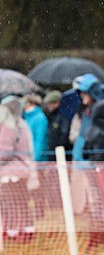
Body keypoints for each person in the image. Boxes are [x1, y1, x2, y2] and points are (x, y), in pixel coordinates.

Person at [0, 95, 40, 241]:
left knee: (9, 204)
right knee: (22, 203)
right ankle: (27, 230)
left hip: (9, 174)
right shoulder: (23, 125)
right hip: (23, 172)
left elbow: (4, 153)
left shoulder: (8, 126)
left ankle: (12, 232)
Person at [70, 74, 104, 161]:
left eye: (84, 92)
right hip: (83, 155)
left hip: (98, 155)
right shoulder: (85, 110)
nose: (81, 95)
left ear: (92, 92)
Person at [42, 90, 70, 160]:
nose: (49, 106)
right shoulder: (47, 116)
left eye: (51, 103)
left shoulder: (62, 117)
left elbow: (64, 136)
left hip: (58, 154)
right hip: (49, 152)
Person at [23, 93, 49, 162]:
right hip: (27, 158)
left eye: (25, 102)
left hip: (36, 160)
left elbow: (39, 141)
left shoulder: (40, 118)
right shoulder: (27, 117)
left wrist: (34, 159)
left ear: (31, 103)